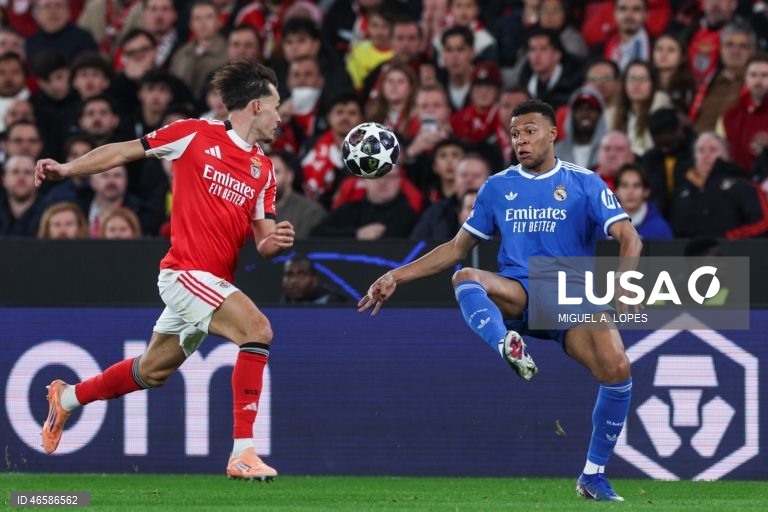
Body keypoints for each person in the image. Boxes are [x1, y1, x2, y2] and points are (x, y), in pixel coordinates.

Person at [359, 99, 641, 502]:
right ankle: (506, 345)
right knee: (467, 275)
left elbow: (630, 237)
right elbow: (456, 249)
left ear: (551, 133)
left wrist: (626, 282)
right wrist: (395, 275)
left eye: (529, 131)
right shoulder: (497, 186)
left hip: (567, 298)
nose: (520, 140)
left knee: (617, 369)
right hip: (520, 292)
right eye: (514, 134)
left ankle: (592, 476)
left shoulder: (585, 182)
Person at [35, 61, 295, 481]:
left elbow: (263, 241)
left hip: (213, 283)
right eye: (277, 106)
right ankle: (243, 452)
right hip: (185, 274)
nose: (281, 117)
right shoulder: (194, 133)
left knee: (152, 371)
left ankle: (66, 398)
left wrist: (275, 240)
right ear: (256, 106)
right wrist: (67, 169)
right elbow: (122, 150)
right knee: (258, 330)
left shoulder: (263, 170)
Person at [280, 254, 348, 304]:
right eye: (289, 274)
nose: (294, 280)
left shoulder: (333, 303)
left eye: (301, 275)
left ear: (314, 279)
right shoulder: (280, 305)